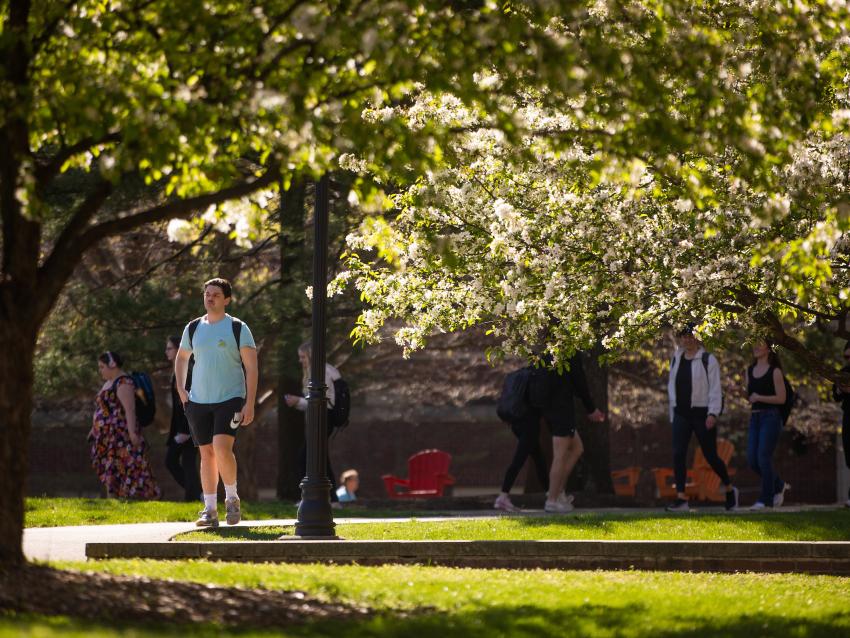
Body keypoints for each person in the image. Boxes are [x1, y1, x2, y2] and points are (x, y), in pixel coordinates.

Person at [174, 278, 258, 527]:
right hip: (198, 400)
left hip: (230, 397)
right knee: (206, 453)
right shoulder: (192, 328)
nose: (210, 298)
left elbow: (252, 368)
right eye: (207, 294)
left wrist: (249, 403)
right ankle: (209, 510)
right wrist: (181, 388)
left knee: (222, 448)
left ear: (227, 300)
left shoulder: (238, 328)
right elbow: (181, 358)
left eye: (216, 295)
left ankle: (231, 499)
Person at [666, 325, 738, 512]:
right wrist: (673, 412)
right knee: (678, 453)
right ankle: (681, 498)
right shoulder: (676, 357)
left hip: (702, 414)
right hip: (681, 413)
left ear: (698, 338)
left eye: (691, 336)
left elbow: (715, 388)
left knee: (710, 456)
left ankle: (729, 489)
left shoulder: (708, 359)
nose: (688, 340)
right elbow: (672, 386)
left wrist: (713, 413)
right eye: (684, 336)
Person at [538, 353, 606, 513]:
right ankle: (552, 499)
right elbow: (580, 382)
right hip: (561, 410)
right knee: (560, 454)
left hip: (552, 410)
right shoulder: (569, 354)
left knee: (577, 448)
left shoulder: (548, 353)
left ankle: (558, 490)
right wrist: (591, 409)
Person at [88, 351, 160, 499]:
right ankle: (113, 497)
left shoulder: (123, 382)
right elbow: (102, 408)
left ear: (112, 365)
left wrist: (133, 433)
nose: (100, 370)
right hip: (107, 437)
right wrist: (93, 430)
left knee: (129, 466)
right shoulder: (108, 383)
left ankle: (148, 495)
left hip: (120, 435)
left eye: (102, 367)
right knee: (111, 467)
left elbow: (130, 409)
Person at [284, 340, 342, 507]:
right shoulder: (319, 370)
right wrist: (298, 402)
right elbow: (314, 402)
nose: (300, 360)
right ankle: (332, 499)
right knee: (320, 458)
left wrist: (298, 401)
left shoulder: (321, 372)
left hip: (324, 418)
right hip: (321, 418)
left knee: (306, 458)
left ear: (311, 356)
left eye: (303, 357)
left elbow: (323, 401)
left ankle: (311, 497)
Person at [746, 339, 790, 510]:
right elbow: (751, 396)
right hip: (755, 417)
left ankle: (766, 500)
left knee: (763, 457)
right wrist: (739, 392)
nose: (755, 346)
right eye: (754, 343)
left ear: (769, 348)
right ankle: (778, 485)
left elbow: (782, 398)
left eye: (760, 343)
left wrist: (759, 398)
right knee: (752, 460)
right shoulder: (749, 370)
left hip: (771, 417)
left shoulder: (775, 371)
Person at [164, 336, 201, 502]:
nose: (166, 352)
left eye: (169, 348)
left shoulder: (188, 371)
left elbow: (190, 402)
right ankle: (198, 494)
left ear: (179, 348)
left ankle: (194, 496)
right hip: (181, 429)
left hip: (190, 427)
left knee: (186, 462)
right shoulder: (175, 373)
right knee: (174, 461)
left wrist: (187, 431)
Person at [494, 411, 549, 513]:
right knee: (518, 461)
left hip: (518, 424)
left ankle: (551, 495)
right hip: (529, 425)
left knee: (539, 460)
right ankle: (503, 496)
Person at [831, 340, 850, 508]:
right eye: (846, 356)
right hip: (848, 415)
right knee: (849, 455)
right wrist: (839, 389)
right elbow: (836, 396)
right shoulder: (843, 372)